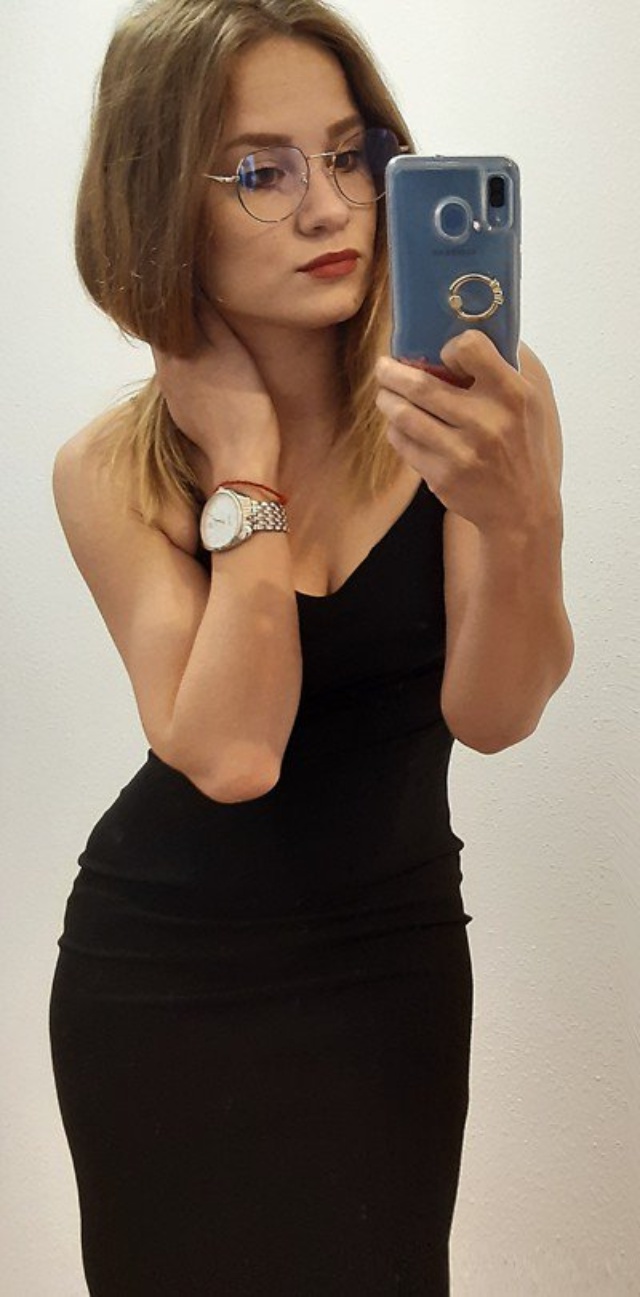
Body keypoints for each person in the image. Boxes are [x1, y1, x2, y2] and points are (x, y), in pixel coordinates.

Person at [48, 1, 574, 1293]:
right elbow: (232, 753)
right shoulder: (110, 470)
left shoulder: (474, 407)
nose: (333, 207)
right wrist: (246, 466)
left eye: (349, 154)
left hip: (389, 956)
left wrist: (521, 516)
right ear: (156, 200)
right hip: (160, 971)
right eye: (262, 172)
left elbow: (496, 713)